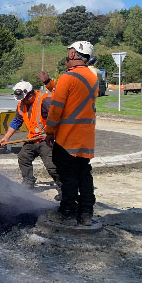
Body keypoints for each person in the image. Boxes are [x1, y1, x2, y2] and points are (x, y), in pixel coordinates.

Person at [43, 41, 100, 226]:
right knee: (84, 173)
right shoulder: (93, 78)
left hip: (67, 137)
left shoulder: (67, 77)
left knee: (67, 175)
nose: (67, 56)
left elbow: (55, 108)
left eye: (69, 52)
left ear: (75, 54)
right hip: (86, 138)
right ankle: (86, 213)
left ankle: (67, 212)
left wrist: (49, 131)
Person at [0, 81, 59, 188]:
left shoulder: (45, 101)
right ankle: (28, 182)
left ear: (31, 94)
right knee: (23, 157)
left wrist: (51, 134)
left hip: (46, 139)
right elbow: (16, 122)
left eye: (24, 98)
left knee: (52, 166)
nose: (22, 101)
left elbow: (58, 118)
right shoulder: (21, 105)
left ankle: (65, 189)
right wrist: (6, 137)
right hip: (32, 138)